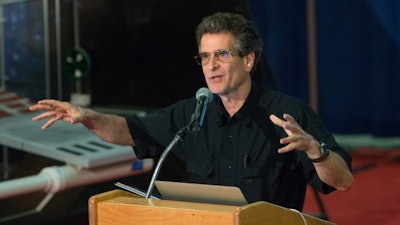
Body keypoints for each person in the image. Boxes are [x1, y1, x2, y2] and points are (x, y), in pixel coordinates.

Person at [29, 12, 353, 211]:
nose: (211, 66)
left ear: (249, 60)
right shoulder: (191, 113)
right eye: (205, 57)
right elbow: (129, 131)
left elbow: (343, 182)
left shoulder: (287, 114)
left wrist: (315, 150)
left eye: (222, 55)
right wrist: (88, 117)